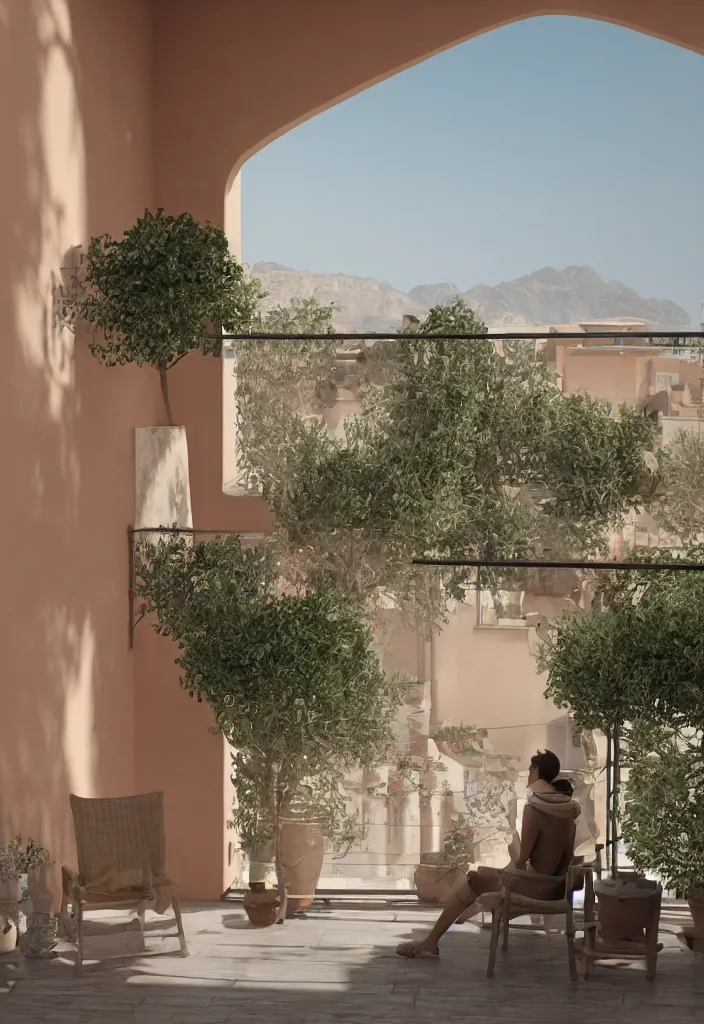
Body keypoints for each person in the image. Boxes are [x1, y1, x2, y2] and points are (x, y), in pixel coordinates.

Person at [397, 749, 581, 958]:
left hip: (534, 888)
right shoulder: (569, 809)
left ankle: (432, 940)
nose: (529, 772)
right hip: (557, 889)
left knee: (474, 878)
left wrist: (514, 839)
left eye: (531, 768)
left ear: (538, 769)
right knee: (486, 876)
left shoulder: (534, 808)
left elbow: (520, 862)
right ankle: (468, 912)